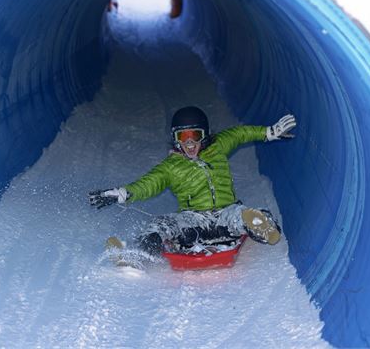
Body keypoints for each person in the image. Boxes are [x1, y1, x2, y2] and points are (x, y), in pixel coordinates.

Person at [89, 106, 296, 258]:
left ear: (204, 135)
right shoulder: (171, 166)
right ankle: (136, 256)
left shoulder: (218, 146)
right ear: (175, 138)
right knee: (162, 225)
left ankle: (264, 227)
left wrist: (268, 132)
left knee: (244, 215)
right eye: (183, 136)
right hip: (194, 221)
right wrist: (123, 193)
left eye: (194, 136)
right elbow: (148, 184)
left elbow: (240, 134)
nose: (189, 143)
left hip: (226, 213)